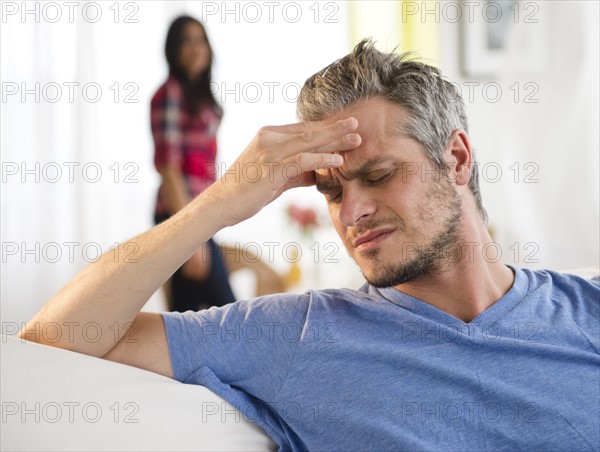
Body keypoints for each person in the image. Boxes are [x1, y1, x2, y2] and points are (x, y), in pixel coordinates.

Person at [18, 40, 599, 450]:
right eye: (330, 190)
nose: (353, 211)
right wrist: (223, 200)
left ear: (457, 159)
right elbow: (55, 338)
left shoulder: (586, 310)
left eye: (378, 174)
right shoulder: (294, 337)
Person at [150, 15, 235, 312]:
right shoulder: (169, 94)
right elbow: (169, 167)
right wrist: (190, 239)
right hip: (178, 216)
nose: (195, 47)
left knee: (190, 317)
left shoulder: (200, 99)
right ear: (173, 49)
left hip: (198, 216)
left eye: (200, 39)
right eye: (186, 40)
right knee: (229, 311)